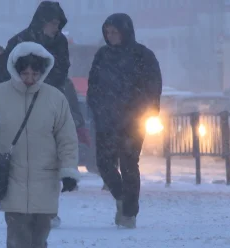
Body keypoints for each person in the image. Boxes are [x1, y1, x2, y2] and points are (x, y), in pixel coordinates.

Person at [0, 41, 80, 248]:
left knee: (40, 236)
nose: (30, 79)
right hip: (10, 179)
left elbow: (67, 139)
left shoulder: (55, 99)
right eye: (25, 74)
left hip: (45, 178)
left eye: (35, 75)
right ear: (15, 71)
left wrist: (68, 171)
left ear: (43, 72)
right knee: (17, 237)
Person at [0, 1, 89, 227]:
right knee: (21, 159)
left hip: (48, 105)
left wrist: (45, 87)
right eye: (53, 23)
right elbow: (2, 70)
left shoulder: (59, 43)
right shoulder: (20, 41)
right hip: (20, 105)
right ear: (42, 22)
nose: (56, 28)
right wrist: (20, 85)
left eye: (58, 23)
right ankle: (19, 207)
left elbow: (61, 71)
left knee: (47, 158)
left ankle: (46, 208)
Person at [87, 13, 162, 229]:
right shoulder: (103, 55)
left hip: (132, 122)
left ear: (125, 31)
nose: (111, 37)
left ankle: (129, 212)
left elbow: (153, 86)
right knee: (103, 164)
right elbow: (94, 84)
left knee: (129, 165)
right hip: (106, 120)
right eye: (107, 33)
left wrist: (146, 112)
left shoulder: (142, 55)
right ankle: (121, 197)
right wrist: (96, 108)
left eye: (115, 32)